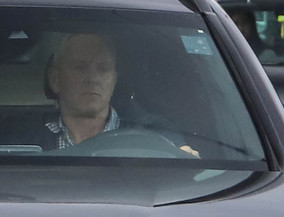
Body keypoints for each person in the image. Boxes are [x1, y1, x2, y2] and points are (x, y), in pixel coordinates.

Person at [42, 30, 200, 155]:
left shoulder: (153, 135)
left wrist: (184, 154)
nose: (93, 78)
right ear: (55, 79)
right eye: (80, 67)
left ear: (114, 81)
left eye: (103, 69)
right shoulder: (24, 139)